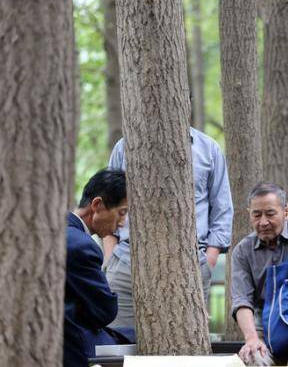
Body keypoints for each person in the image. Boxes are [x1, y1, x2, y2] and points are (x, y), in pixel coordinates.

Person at [104, 127, 233, 328]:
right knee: (117, 342)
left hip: (190, 260)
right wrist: (110, 258)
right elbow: (108, 204)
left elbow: (222, 210)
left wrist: (208, 261)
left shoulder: (210, 150)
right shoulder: (124, 146)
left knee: (185, 343)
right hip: (127, 260)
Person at [231, 182, 288, 366]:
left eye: (270, 213)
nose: (263, 222)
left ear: (286, 211)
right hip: (264, 334)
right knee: (253, 358)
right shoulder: (243, 251)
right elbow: (242, 300)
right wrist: (252, 338)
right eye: (256, 215)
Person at [64, 169, 132, 367]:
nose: (122, 223)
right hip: (75, 345)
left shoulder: (56, 230)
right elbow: (104, 311)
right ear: (97, 205)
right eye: (121, 212)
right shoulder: (82, 246)